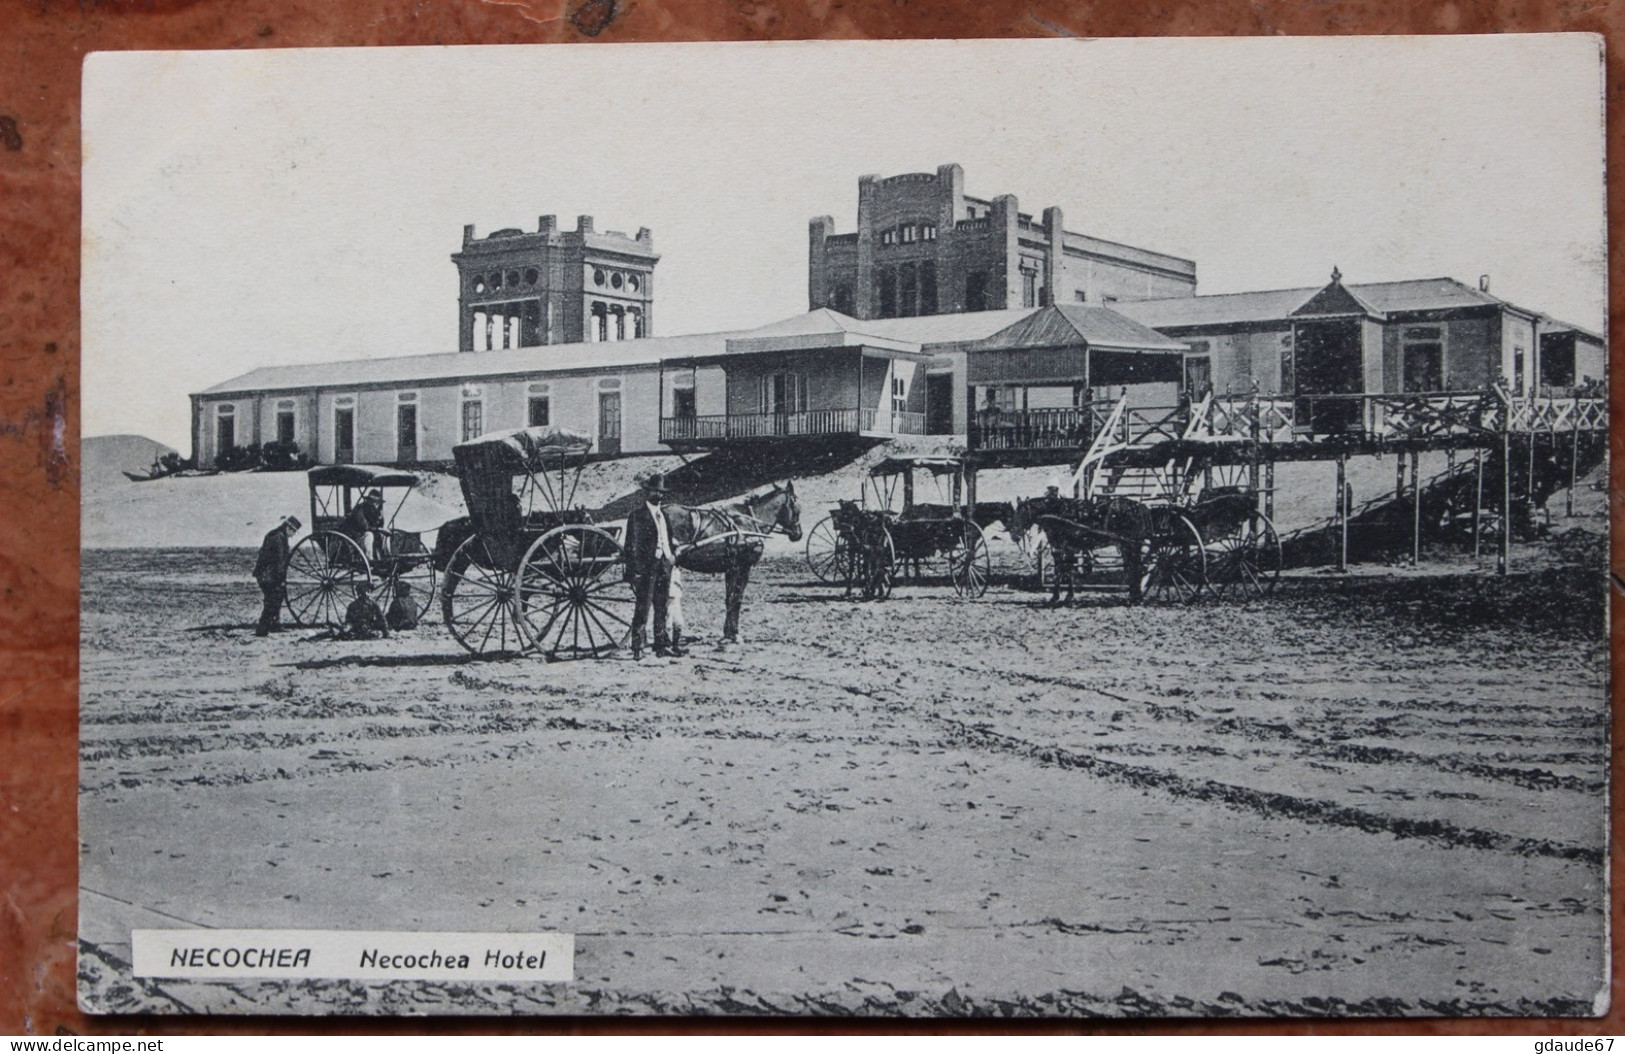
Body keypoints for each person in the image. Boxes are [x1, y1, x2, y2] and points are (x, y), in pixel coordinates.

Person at [623, 473, 682, 658]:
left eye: (662, 492)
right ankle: (638, 647)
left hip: (664, 565)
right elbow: (631, 546)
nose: (660, 495)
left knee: (661, 607)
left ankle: (661, 645)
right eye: (656, 492)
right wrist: (634, 572)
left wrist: (672, 555)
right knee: (643, 607)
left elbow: (668, 538)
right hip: (647, 568)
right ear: (647, 493)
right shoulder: (637, 516)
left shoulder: (663, 515)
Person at [253, 515, 301, 636]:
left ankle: (273, 624)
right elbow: (279, 561)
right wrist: (280, 579)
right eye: (293, 532)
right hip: (267, 574)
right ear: (288, 528)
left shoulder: (278, 536)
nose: (293, 535)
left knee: (275, 597)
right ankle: (262, 628)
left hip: (267, 573)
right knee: (272, 599)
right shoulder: (278, 539)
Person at [342, 489, 386, 559]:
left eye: (376, 503)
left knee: (384, 535)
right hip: (355, 537)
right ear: (367, 501)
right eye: (372, 501)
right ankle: (369, 559)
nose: (374, 504)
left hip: (367, 535)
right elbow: (365, 527)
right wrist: (379, 529)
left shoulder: (377, 512)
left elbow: (381, 524)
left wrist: (380, 517)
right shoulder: (359, 509)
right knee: (369, 535)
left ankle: (386, 557)